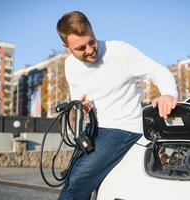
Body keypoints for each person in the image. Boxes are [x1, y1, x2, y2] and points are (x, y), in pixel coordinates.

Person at [56, 11, 178, 200]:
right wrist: (81, 105)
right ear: (66, 46)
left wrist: (168, 94)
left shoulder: (120, 51)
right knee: (76, 182)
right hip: (94, 129)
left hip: (123, 128)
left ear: (92, 30)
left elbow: (158, 71)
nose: (90, 50)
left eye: (92, 41)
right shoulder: (70, 65)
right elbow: (76, 100)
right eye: (81, 48)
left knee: (76, 184)